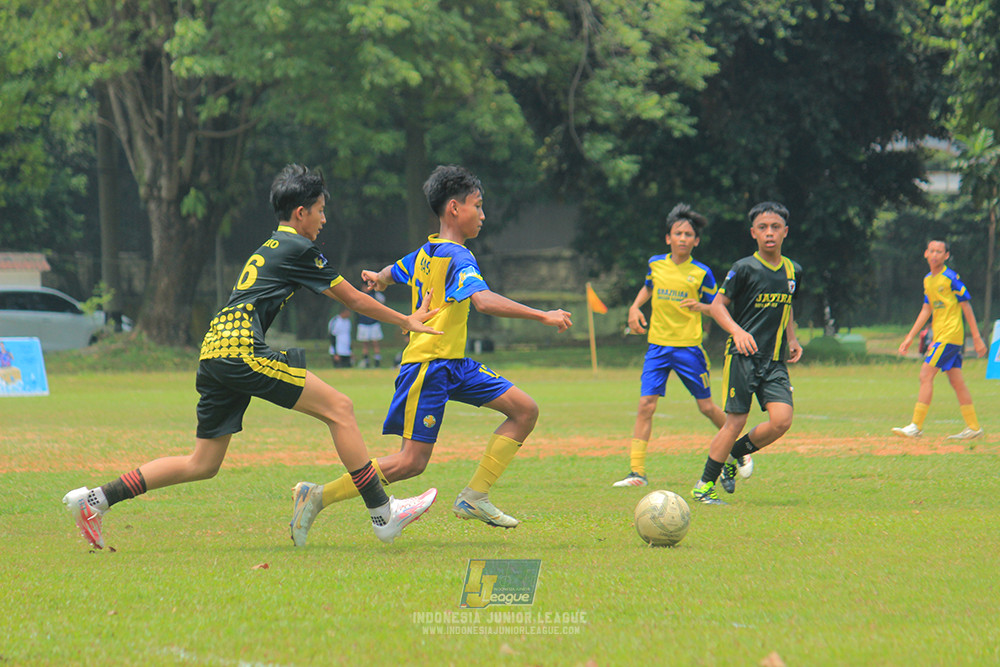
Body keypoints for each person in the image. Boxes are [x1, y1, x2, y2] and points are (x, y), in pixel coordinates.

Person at [62, 163, 443, 549]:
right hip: (240, 350)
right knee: (340, 409)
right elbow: (353, 298)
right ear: (301, 213)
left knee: (203, 463)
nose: (324, 219)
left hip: (214, 350)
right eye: (321, 210)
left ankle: (95, 500)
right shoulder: (299, 246)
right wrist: (407, 321)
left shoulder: (272, 246)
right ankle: (383, 514)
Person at [288, 164, 573, 546]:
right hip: (428, 365)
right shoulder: (458, 257)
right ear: (454, 208)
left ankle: (475, 497)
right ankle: (318, 495)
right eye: (478, 205)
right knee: (411, 462)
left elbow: (396, 270)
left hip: (455, 363)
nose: (483, 215)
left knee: (525, 411)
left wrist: (378, 277)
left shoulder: (427, 252)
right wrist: (543, 314)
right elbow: (483, 301)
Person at [691, 201, 803, 504]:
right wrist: (737, 332)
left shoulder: (793, 270)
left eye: (776, 227)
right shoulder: (744, 268)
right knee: (735, 421)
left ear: (785, 232)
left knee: (782, 420)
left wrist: (792, 339)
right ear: (753, 232)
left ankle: (734, 456)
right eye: (763, 227)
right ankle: (703, 486)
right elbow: (716, 306)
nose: (770, 233)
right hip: (742, 357)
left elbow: (787, 307)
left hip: (775, 359)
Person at [613, 204, 726, 488]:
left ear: (696, 241)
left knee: (706, 407)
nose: (683, 238)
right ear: (668, 238)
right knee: (645, 405)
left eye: (689, 234)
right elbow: (648, 288)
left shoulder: (702, 272)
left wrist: (702, 306)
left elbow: (717, 308)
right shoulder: (656, 264)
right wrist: (635, 307)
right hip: (658, 347)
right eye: (678, 233)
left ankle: (737, 446)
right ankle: (637, 473)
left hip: (689, 348)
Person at [892, 239, 987, 439]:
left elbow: (966, 307)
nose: (935, 255)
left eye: (939, 252)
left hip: (950, 336)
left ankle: (916, 426)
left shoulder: (950, 278)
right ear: (926, 253)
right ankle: (973, 427)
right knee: (956, 381)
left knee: (926, 374)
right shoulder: (928, 280)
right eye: (932, 251)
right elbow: (927, 308)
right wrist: (910, 337)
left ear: (946, 256)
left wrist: (977, 338)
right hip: (942, 336)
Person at [355, 290, 386, 367]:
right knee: (365, 344)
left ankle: (377, 361)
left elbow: (382, 303)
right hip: (363, 323)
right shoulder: (360, 295)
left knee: (375, 343)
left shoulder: (376, 295)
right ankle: (366, 361)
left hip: (373, 323)